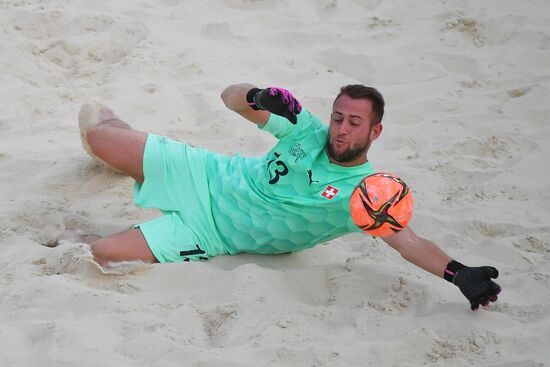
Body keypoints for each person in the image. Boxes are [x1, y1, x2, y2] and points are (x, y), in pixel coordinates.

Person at [78, 83, 501, 310]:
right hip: (210, 175)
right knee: (99, 136)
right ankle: (121, 139)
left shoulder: (366, 195)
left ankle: (133, 162)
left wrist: (456, 272)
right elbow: (229, 97)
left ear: (375, 132)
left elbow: (408, 241)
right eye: (338, 117)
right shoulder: (304, 126)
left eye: (355, 122)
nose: (341, 129)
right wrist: (257, 97)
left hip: (211, 233)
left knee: (103, 254)